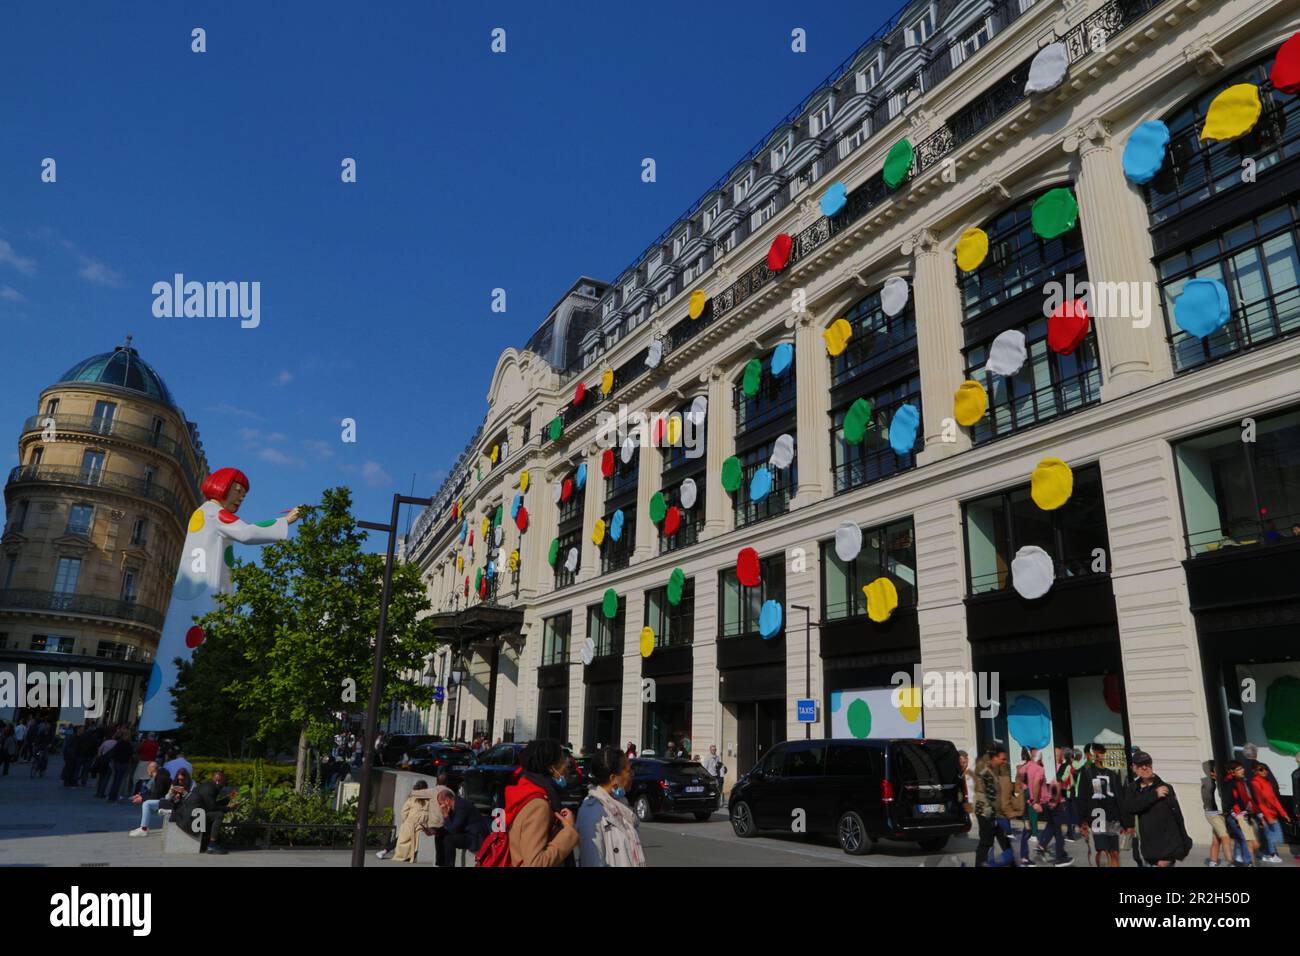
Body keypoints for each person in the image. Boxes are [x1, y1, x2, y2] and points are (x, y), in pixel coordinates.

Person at [141, 466, 301, 730]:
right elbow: (248, 532)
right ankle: (178, 723)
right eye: (238, 491)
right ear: (222, 486)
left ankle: (165, 719)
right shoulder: (213, 512)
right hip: (204, 596)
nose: (240, 497)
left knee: (185, 651)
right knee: (199, 647)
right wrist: (286, 521)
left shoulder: (206, 514)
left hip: (197, 595)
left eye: (244, 495)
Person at [504, 738, 578, 867]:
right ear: (551, 768)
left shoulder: (528, 791)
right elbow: (535, 863)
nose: (567, 764)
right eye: (562, 760)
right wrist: (568, 832)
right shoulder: (539, 806)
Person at [576, 746, 645, 867]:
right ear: (614, 779)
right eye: (629, 771)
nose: (632, 775)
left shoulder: (621, 805)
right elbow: (592, 862)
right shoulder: (591, 812)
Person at [1121, 751, 1193, 867]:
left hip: (1164, 852)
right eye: (1140, 765)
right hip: (1144, 850)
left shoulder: (1165, 788)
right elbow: (1130, 807)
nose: (1145, 767)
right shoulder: (1132, 788)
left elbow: (1177, 818)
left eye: (1147, 764)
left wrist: (1182, 845)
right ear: (1134, 768)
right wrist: (1154, 796)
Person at [1077, 743, 1122, 867]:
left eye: (1101, 752)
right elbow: (1082, 797)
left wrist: (1126, 821)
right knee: (1102, 851)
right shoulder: (1087, 773)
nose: (1099, 755)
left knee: (1114, 852)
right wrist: (1082, 821)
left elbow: (1120, 798)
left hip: (1113, 817)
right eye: (1096, 752)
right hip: (1097, 816)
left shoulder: (1113, 774)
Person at [176, 770, 239, 854]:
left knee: (214, 814)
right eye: (224, 783)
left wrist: (228, 798)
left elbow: (211, 805)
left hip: (189, 816)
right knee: (218, 815)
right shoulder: (210, 789)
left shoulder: (207, 786)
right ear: (218, 781)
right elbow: (212, 807)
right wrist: (229, 808)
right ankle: (212, 845)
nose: (224, 785)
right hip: (190, 820)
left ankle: (208, 842)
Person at [974, 746, 1014, 867]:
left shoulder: (992, 769)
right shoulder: (987, 772)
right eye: (1003, 759)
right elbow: (988, 797)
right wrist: (992, 817)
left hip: (993, 813)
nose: (1004, 761)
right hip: (987, 813)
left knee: (1005, 841)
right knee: (986, 843)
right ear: (994, 758)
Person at [434, 785, 490, 866]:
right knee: (439, 835)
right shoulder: (453, 807)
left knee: (449, 840)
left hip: (476, 837)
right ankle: (440, 864)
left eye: (440, 803)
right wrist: (435, 831)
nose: (440, 806)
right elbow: (451, 827)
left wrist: (445, 815)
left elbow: (453, 830)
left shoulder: (461, 807)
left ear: (447, 800)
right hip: (466, 832)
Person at [1248, 763, 1290, 863]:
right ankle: (1271, 854)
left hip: (1272, 813)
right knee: (1270, 835)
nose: (1265, 771)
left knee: (1274, 835)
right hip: (1263, 814)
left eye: (1266, 769)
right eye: (1261, 769)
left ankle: (1264, 853)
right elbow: (1260, 801)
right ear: (1255, 771)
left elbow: (1274, 799)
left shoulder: (1267, 782)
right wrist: (1266, 816)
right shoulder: (1255, 783)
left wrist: (1284, 813)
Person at [1220, 761, 1260, 866]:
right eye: (1239, 769)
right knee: (1244, 838)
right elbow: (1229, 802)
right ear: (1232, 772)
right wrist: (1236, 816)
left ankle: (1237, 861)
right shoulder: (1230, 783)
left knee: (1239, 838)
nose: (1242, 770)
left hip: (1242, 814)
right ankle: (1248, 862)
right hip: (1235, 815)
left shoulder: (1241, 781)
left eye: (1242, 768)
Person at [1199, 760, 1235, 867]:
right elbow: (1207, 799)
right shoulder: (1207, 783)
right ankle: (1230, 862)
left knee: (1217, 839)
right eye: (1215, 771)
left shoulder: (1221, 782)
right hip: (1213, 814)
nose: (1218, 772)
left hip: (1221, 814)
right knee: (1225, 837)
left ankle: (1213, 861)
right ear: (1211, 773)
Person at [390, 781, 434, 863]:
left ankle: (407, 856)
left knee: (408, 841)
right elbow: (404, 812)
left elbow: (404, 812)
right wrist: (407, 821)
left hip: (419, 825)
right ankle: (406, 856)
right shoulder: (413, 799)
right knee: (405, 840)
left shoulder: (426, 801)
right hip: (412, 824)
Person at [128, 762, 173, 836]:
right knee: (147, 803)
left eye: (148, 769)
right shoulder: (159, 776)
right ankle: (143, 828)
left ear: (152, 769)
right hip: (167, 800)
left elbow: (156, 796)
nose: (147, 770)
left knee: (147, 804)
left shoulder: (160, 778)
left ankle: (143, 829)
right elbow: (151, 792)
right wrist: (141, 795)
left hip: (169, 802)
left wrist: (142, 799)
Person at [104, 729, 135, 802]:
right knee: (119, 781)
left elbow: (114, 752)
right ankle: (114, 797)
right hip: (124, 763)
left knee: (115, 780)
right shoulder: (129, 745)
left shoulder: (119, 743)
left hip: (117, 762)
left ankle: (111, 796)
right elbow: (131, 754)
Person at [703, 744, 725, 808]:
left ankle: (717, 802)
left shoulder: (717, 757)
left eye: (715, 749)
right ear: (710, 750)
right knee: (710, 790)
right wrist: (706, 777)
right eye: (712, 749)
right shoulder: (707, 757)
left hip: (716, 776)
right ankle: (708, 802)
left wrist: (721, 773)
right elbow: (705, 768)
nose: (714, 751)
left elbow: (720, 765)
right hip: (710, 776)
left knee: (717, 790)